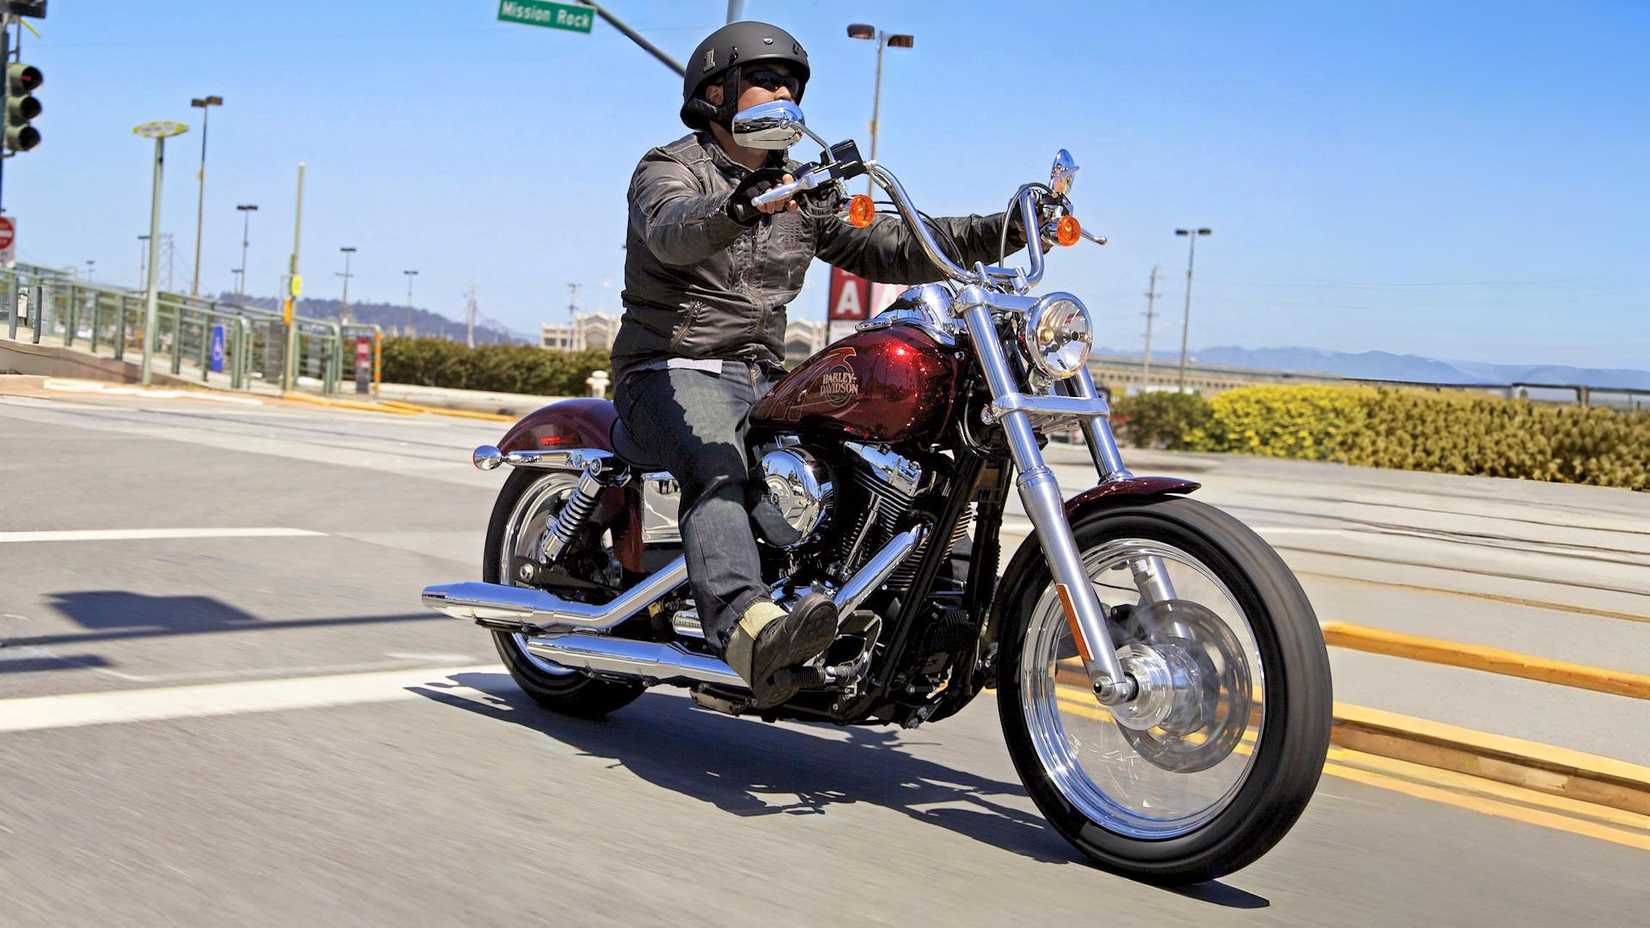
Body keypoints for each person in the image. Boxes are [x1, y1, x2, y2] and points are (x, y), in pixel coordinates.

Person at [612, 20, 1028, 706]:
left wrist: (1004, 229)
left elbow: (893, 246)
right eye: (768, 82)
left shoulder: (800, 187)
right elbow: (674, 230)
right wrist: (739, 205)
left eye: (792, 85)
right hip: (670, 367)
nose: (785, 95)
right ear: (716, 93)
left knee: (891, 449)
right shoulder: (670, 167)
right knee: (719, 462)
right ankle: (749, 629)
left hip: (760, 373)